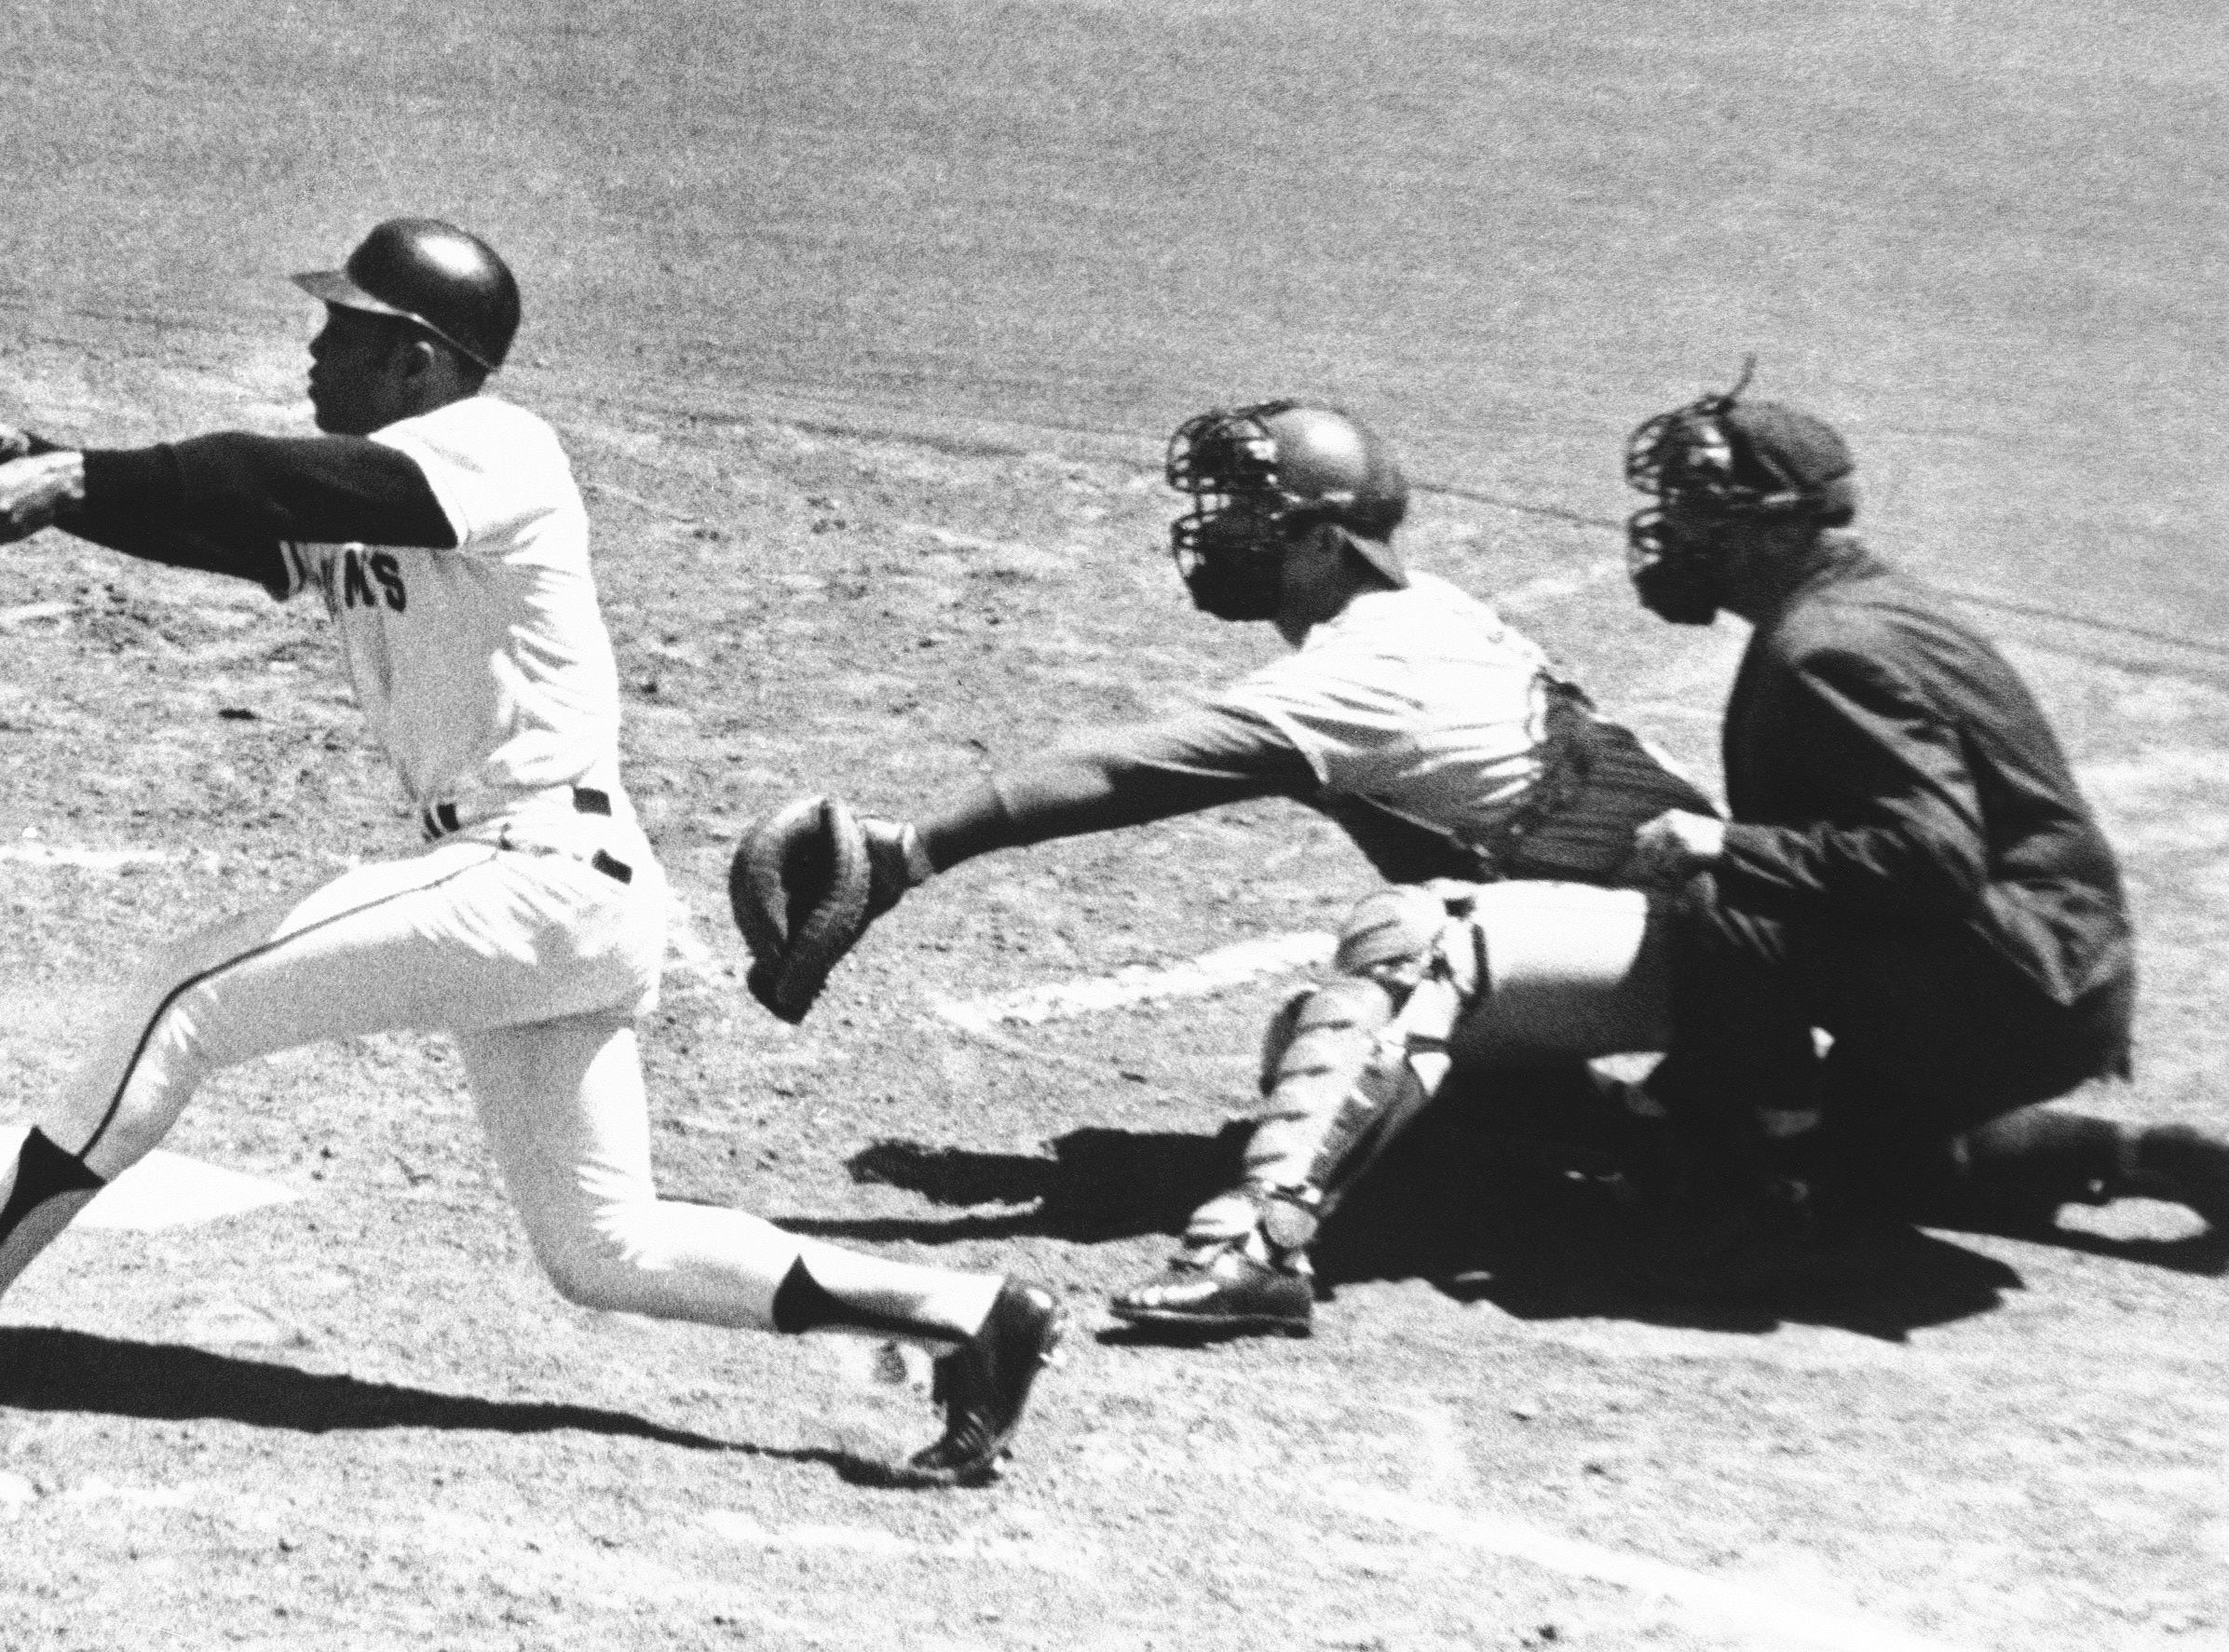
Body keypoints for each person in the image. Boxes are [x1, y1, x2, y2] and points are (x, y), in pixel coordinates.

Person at [0, 217, 1060, 1488]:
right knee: (605, 1247)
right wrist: (44, 473)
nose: (317, 348)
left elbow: (279, 477)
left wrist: (85, 470)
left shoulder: (493, 447)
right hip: (564, 905)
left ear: (421, 360)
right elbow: (233, 526)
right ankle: (971, 1312)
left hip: (532, 872)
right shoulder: (377, 490)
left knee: (179, 1004)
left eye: (345, 328)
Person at [732, 399, 1715, 1337]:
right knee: (1325, 1040)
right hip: (1672, 941)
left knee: (1411, 941)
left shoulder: (1370, 668)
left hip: (1719, 947)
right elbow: (1465, 843)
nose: (1221, 532)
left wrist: (911, 851)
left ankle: (1257, 1251)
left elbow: (1124, 770)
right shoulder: (1420, 617)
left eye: (1254, 515)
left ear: (1326, 543)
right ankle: (1658, 1142)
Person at [1604, 372, 2229, 1285]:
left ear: (1782, 529)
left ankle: (1773, 1188)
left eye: (1705, 513)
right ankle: (2135, 1154)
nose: (1676, 530)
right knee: (1889, 1163)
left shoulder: (1823, 649)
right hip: (2057, 963)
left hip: (2019, 983)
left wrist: (1724, 847)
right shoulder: (1858, 599)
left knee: (1720, 897)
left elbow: (1929, 858)